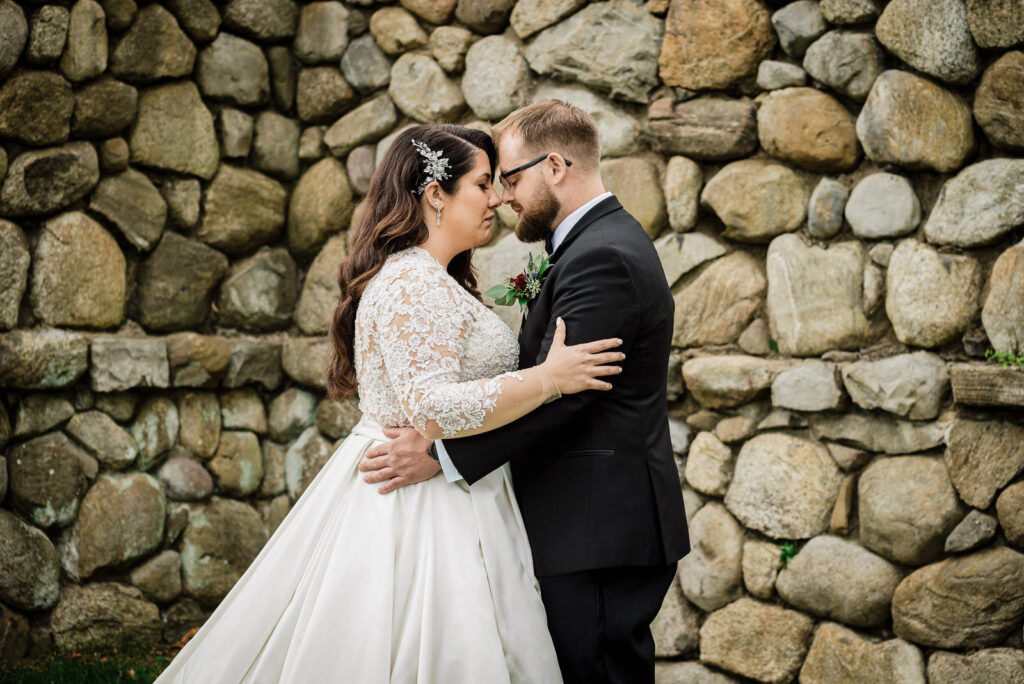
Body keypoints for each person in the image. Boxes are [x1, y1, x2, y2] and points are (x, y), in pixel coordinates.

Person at [154, 124, 624, 683]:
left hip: (451, 489)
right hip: (417, 507)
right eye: (481, 184)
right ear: (434, 195)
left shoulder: (431, 278)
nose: (497, 198)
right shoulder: (411, 283)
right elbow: (428, 407)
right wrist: (549, 380)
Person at [360, 101, 691, 684]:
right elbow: (548, 380)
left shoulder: (602, 254)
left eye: (507, 179)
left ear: (556, 165)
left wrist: (442, 457)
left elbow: (574, 394)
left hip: (595, 527)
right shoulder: (586, 246)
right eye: (489, 183)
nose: (501, 197)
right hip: (578, 524)